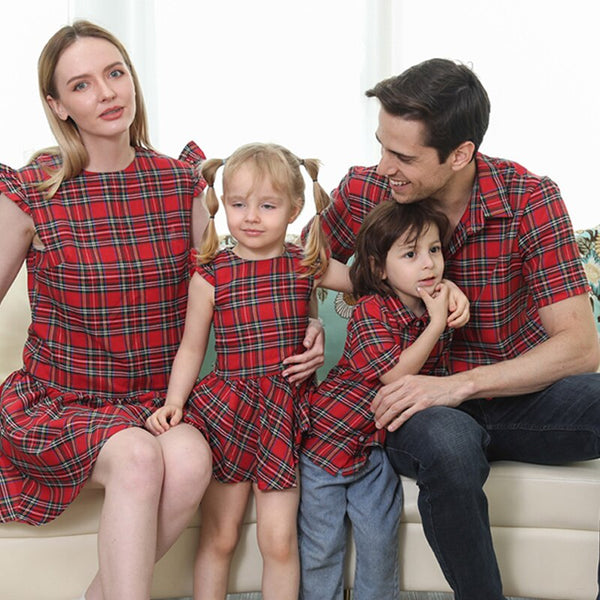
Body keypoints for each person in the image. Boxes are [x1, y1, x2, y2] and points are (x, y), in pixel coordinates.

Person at [305, 57, 600, 600]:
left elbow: (581, 347)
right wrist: (307, 322)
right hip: (421, 409)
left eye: (403, 156)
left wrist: (461, 384)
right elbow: (297, 261)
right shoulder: (368, 190)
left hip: (512, 394)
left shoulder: (528, 199)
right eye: (381, 145)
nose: (384, 165)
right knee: (450, 449)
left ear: (461, 153)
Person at [0, 20, 213, 600]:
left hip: (156, 403)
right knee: (138, 457)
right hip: (61, 402)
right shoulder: (33, 192)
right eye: (83, 85)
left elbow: (229, 286)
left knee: (191, 462)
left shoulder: (180, 184)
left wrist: (312, 321)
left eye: (115, 73)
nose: (108, 93)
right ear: (58, 105)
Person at [144, 142, 351, 600]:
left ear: (295, 209)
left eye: (267, 205)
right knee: (220, 537)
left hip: (282, 410)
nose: (251, 216)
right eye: (238, 204)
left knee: (277, 541)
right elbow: (192, 347)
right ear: (223, 206)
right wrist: (174, 402)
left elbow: (370, 284)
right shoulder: (211, 273)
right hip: (228, 414)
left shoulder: (305, 265)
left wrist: (433, 287)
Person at [299, 199, 470, 600]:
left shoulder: (431, 305)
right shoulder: (372, 310)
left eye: (434, 250)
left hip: (372, 451)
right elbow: (394, 373)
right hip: (326, 446)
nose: (428, 264)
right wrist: (438, 323)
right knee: (321, 547)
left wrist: (450, 297)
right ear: (379, 268)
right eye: (411, 254)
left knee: (379, 541)